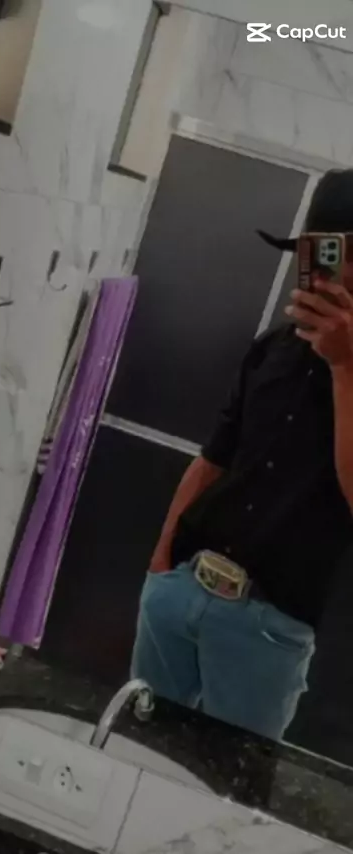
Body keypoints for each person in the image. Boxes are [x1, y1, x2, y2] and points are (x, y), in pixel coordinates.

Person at [131, 169, 353, 741]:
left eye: (338, 257)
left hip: (268, 629)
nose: (323, 273)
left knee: (228, 786)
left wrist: (344, 366)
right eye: (316, 255)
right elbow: (213, 460)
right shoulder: (269, 350)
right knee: (135, 749)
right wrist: (161, 567)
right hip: (180, 588)